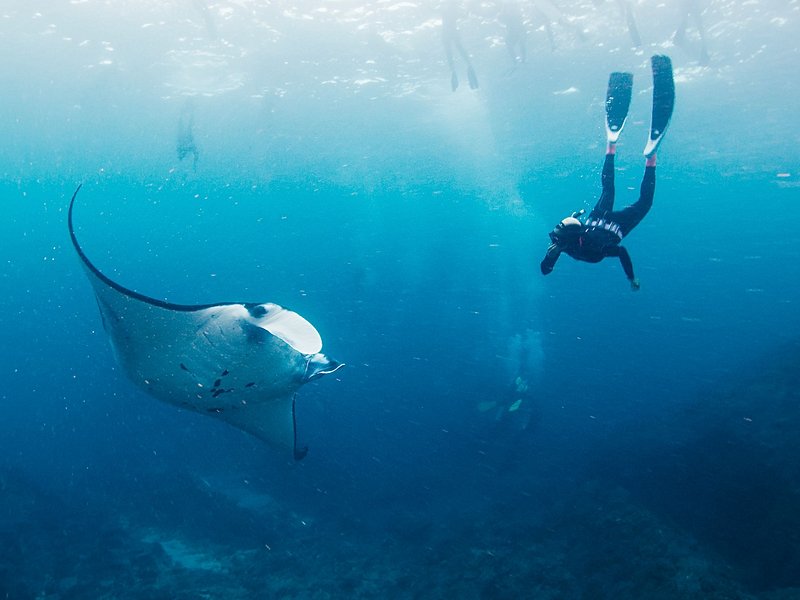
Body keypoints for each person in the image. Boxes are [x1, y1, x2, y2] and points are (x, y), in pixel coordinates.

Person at [540, 55, 675, 290]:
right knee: (608, 189)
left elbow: (620, 251)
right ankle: (611, 148)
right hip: (596, 219)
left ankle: (650, 160)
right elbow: (546, 268)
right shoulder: (564, 243)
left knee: (642, 202)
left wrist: (631, 278)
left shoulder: (577, 247)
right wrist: (554, 252)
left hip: (614, 228)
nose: (555, 242)